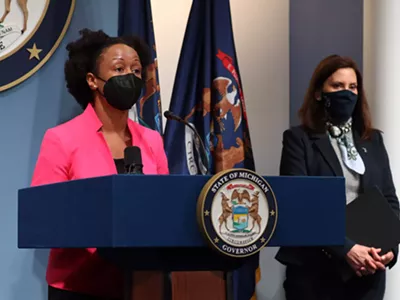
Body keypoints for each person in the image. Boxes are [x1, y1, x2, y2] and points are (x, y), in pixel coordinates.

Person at [31, 29, 169, 300]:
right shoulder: (61, 139)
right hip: (80, 286)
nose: (130, 76)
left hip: (143, 284)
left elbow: (165, 206)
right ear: (93, 80)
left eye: (137, 70)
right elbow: (44, 216)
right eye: (119, 69)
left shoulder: (152, 140)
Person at [275, 54, 400, 299]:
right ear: (319, 93)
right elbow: (299, 206)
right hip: (315, 274)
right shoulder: (298, 140)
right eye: (337, 86)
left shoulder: (372, 140)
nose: (347, 93)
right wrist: (347, 249)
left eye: (352, 87)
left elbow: (389, 200)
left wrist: (390, 250)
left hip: (368, 274)